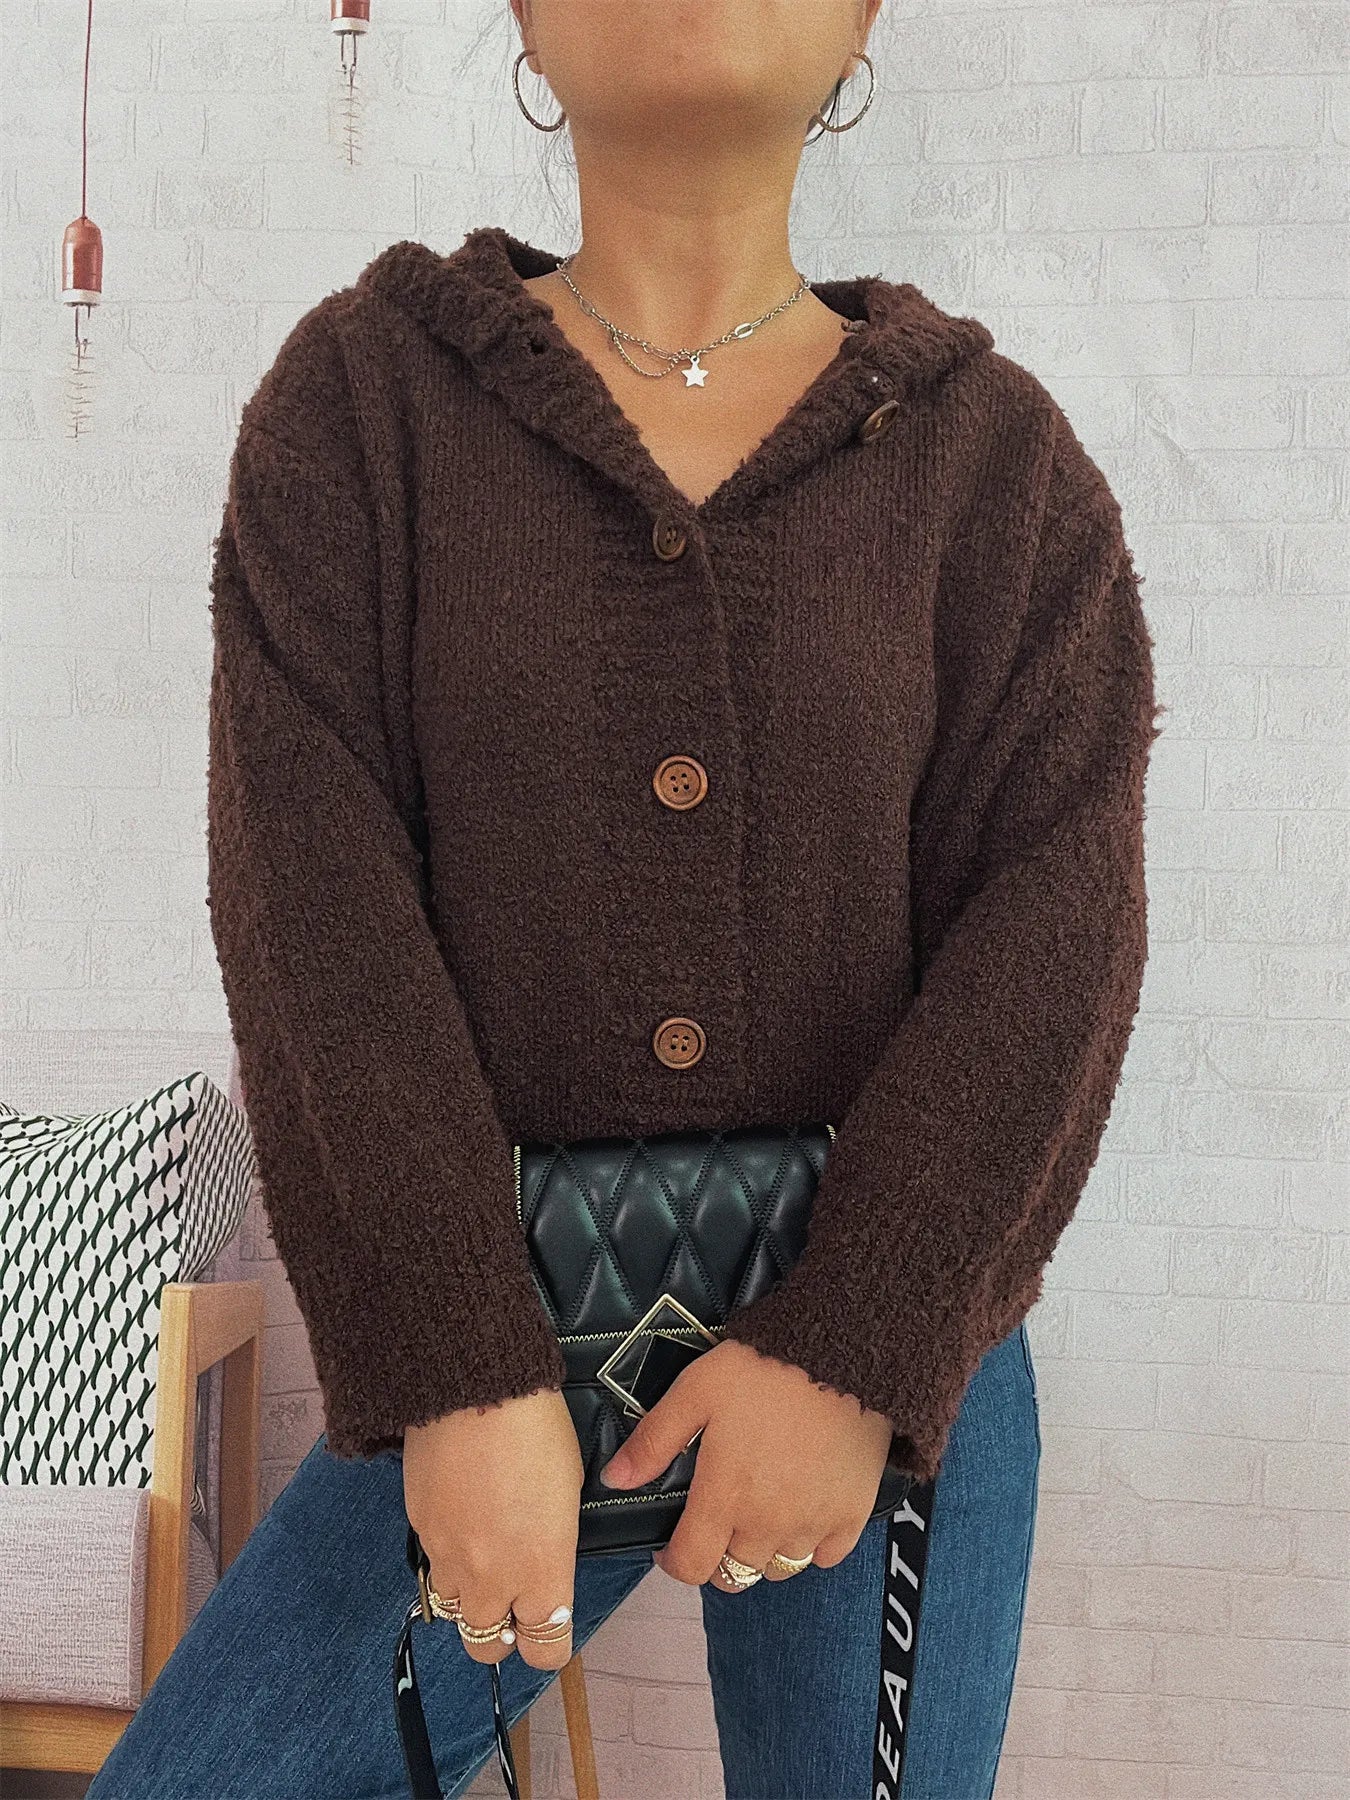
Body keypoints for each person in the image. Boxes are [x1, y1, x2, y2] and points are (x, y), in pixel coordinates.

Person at [87, 1, 1158, 1795]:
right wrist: (454, 1367)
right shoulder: (362, 409)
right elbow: (309, 910)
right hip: (469, 1335)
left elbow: (1056, 929)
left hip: (886, 1360)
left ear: (863, 20)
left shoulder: (994, 465)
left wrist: (857, 1348)